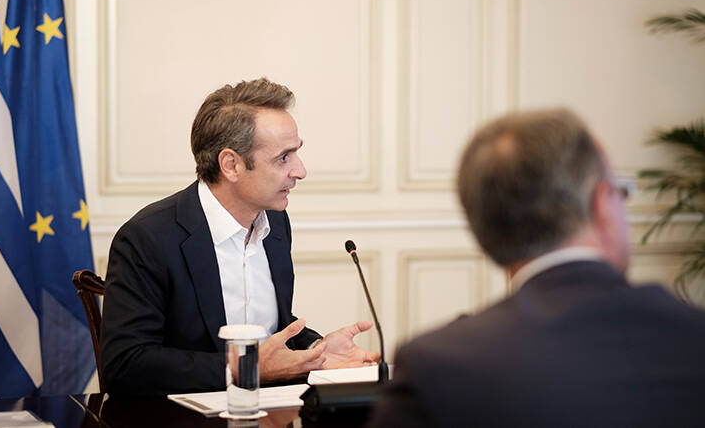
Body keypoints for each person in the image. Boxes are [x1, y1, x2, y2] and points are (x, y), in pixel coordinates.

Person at [370, 109, 705, 427]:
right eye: (621, 194)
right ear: (602, 204)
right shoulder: (693, 337)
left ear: (484, 230)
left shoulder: (436, 368)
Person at [100, 78, 379, 395]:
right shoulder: (148, 238)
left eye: (296, 154)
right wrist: (246, 368)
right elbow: (125, 366)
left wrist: (317, 350)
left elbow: (272, 329)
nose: (300, 171)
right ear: (231, 165)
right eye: (283, 158)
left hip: (270, 409)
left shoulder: (275, 223)